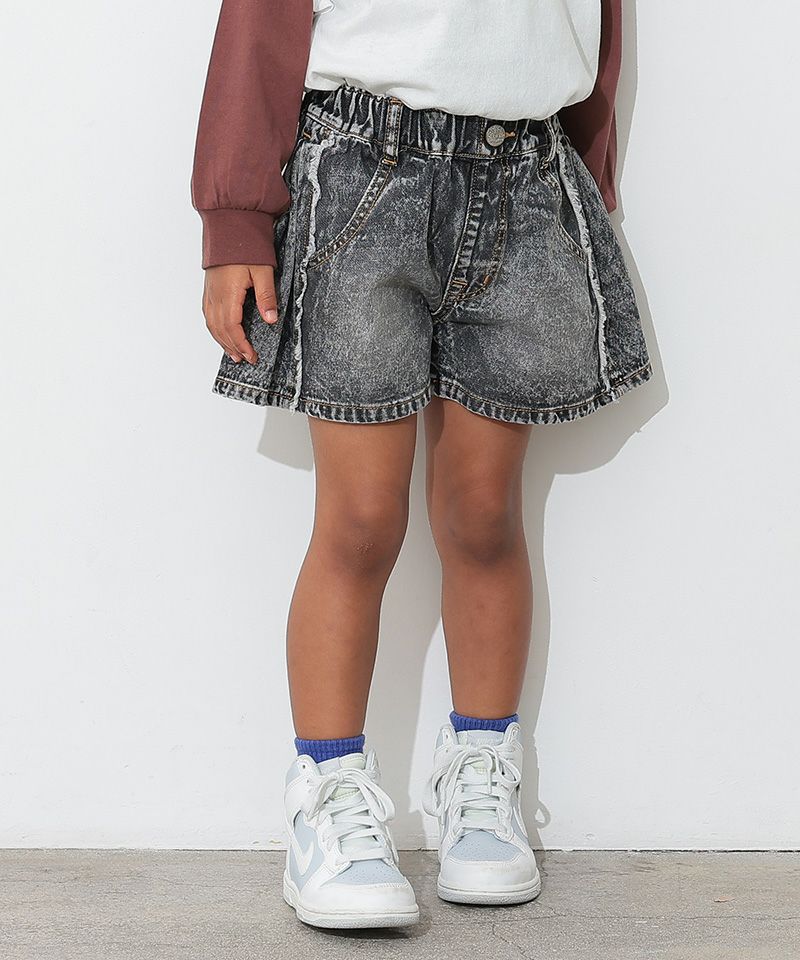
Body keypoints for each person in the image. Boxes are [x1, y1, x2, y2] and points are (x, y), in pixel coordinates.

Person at [191, 0, 650, 930]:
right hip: (362, 174)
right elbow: (260, 22)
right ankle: (327, 796)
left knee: (483, 512)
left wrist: (587, 165)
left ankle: (481, 781)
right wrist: (235, 219)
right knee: (361, 520)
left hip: (529, 178)